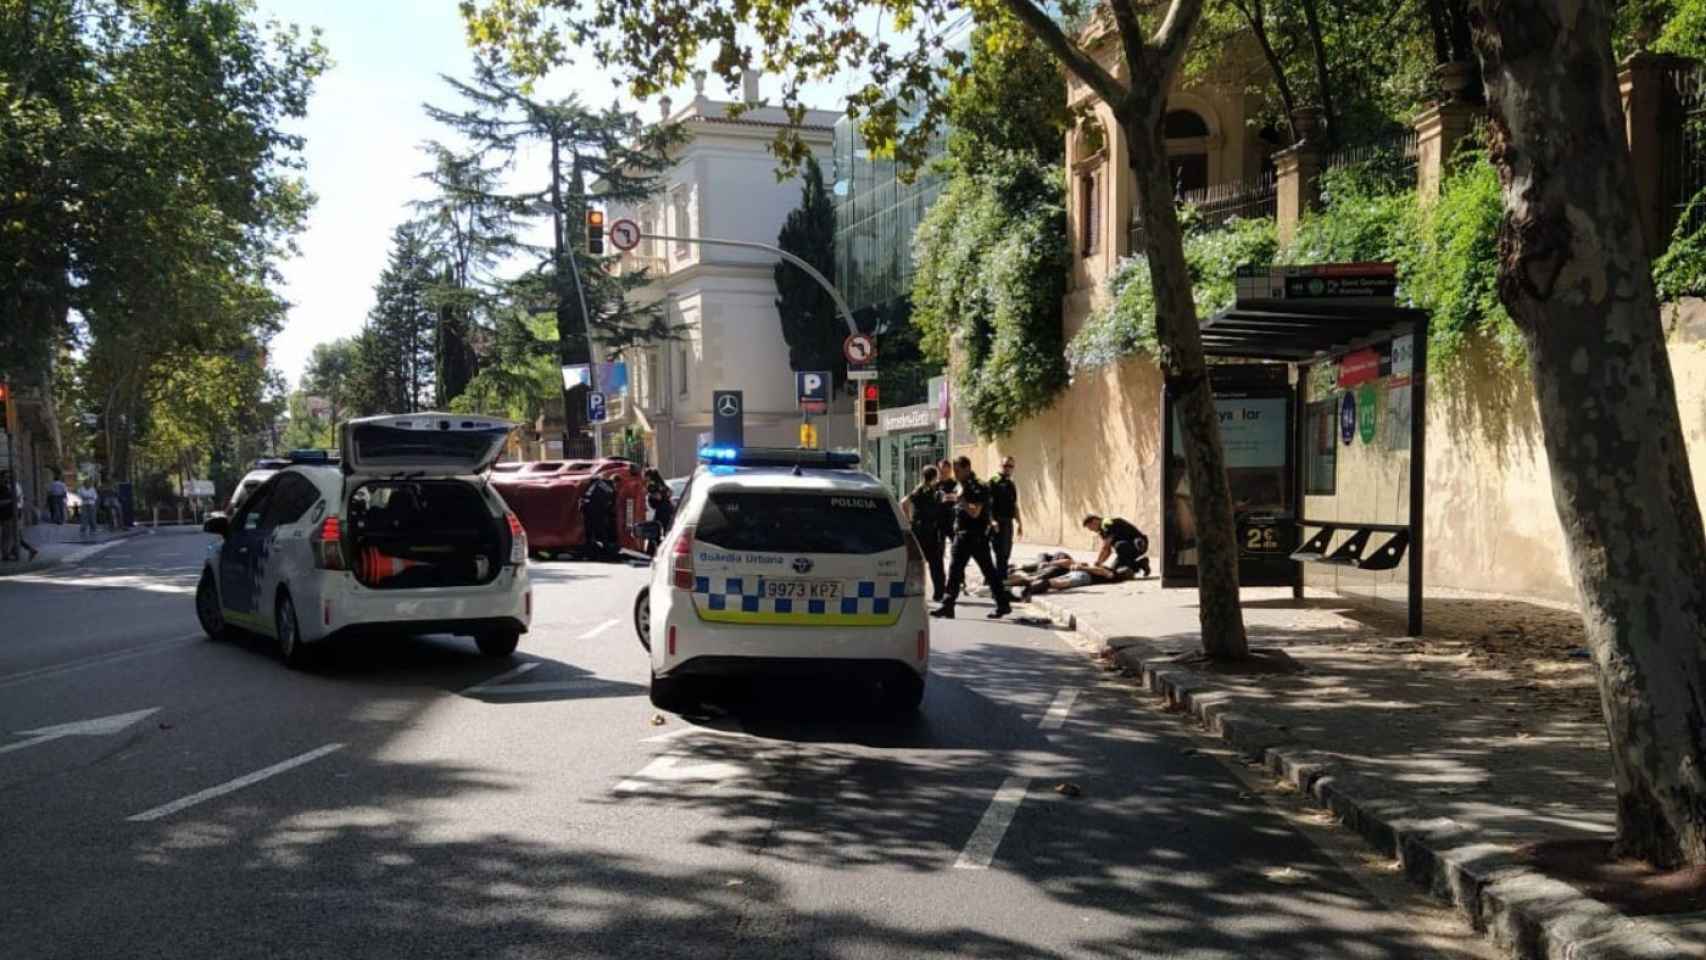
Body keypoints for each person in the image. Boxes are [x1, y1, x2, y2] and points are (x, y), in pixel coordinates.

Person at [934, 456, 1013, 620]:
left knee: (989, 572)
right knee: (955, 570)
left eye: (957, 470)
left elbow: (975, 512)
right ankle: (948, 605)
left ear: (967, 468)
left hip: (974, 536)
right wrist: (952, 499)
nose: (955, 474)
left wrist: (960, 499)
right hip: (962, 535)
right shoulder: (961, 485)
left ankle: (1003, 604)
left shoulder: (978, 486)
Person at [901, 465, 947, 601]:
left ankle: (912, 592)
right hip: (930, 532)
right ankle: (939, 593)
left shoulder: (918, 489)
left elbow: (904, 503)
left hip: (918, 530)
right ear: (934, 477)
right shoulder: (934, 491)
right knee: (936, 563)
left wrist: (909, 521)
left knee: (916, 562)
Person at [1011, 561, 1131, 599]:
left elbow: (1103, 572)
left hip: (1083, 576)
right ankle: (1023, 591)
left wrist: (1083, 567)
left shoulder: (1114, 575)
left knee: (1056, 583)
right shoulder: (1112, 573)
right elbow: (1101, 571)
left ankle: (1023, 590)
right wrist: (1083, 566)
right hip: (1083, 576)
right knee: (1056, 583)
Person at [1083, 514, 1152, 578]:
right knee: (1114, 570)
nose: (1091, 530)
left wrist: (1098, 561)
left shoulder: (1107, 523)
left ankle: (1136, 565)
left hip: (1138, 545)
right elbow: (1108, 551)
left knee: (1119, 545)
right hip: (1128, 548)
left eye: (1090, 527)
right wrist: (1100, 563)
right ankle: (1141, 563)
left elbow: (1105, 547)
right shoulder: (1102, 530)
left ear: (1095, 521)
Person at [988, 456, 1023, 578]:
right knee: (1000, 554)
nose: (1008, 468)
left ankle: (995, 579)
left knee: (1006, 553)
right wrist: (992, 521)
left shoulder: (1011, 484)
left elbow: (1014, 505)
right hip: (997, 523)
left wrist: (1019, 523)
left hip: (1008, 523)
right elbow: (988, 505)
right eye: (1005, 465)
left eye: (1010, 466)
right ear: (1000, 466)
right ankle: (999, 582)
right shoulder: (993, 481)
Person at [580, 474, 618, 559]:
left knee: (590, 533)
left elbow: (586, 496)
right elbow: (611, 500)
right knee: (601, 532)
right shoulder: (609, 487)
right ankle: (606, 552)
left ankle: (590, 552)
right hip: (598, 512)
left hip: (589, 511)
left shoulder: (596, 484)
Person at [643, 468, 674, 556]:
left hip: (661, 510)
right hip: (668, 509)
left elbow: (658, 497)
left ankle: (651, 551)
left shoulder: (652, 485)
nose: (645, 478)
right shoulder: (662, 484)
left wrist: (652, 496)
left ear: (649, 476)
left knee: (655, 530)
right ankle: (665, 550)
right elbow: (670, 492)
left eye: (646, 476)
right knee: (665, 530)